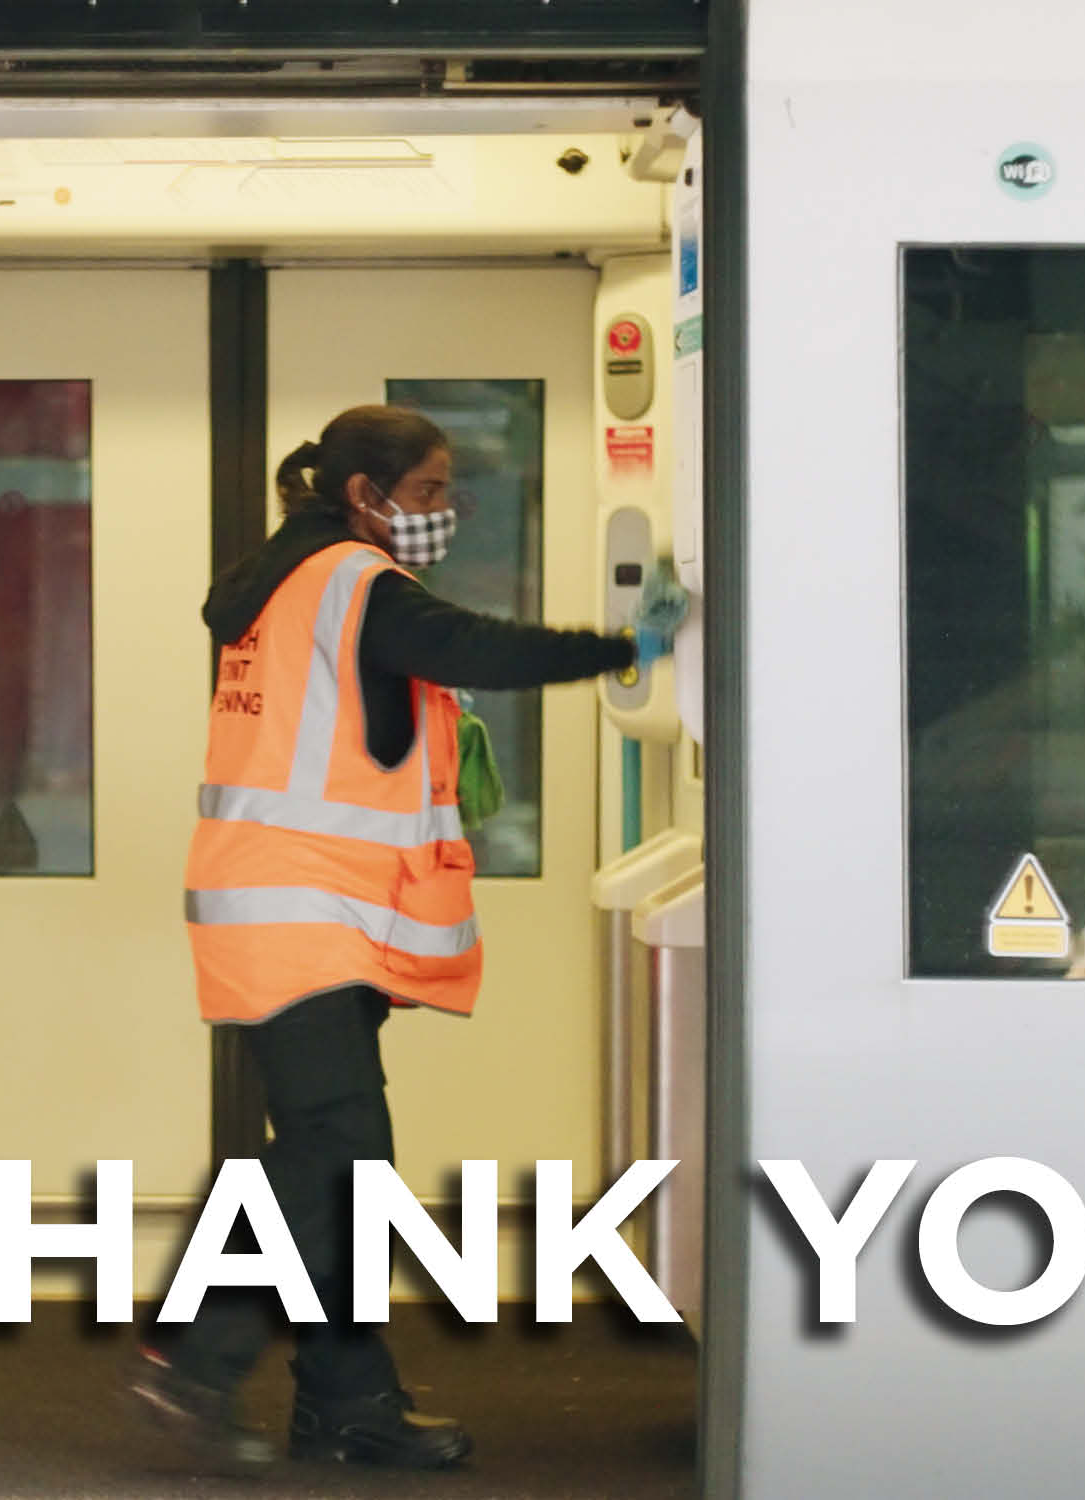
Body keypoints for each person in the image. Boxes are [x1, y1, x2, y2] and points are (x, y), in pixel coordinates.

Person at [123, 404, 678, 1472]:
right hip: (299, 909)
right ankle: (189, 1351)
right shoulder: (352, 582)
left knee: (344, 1158)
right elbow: (475, 644)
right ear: (365, 496)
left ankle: (346, 1403)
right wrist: (628, 646)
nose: (445, 512)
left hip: (297, 906)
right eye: (427, 493)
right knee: (339, 1148)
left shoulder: (287, 578)